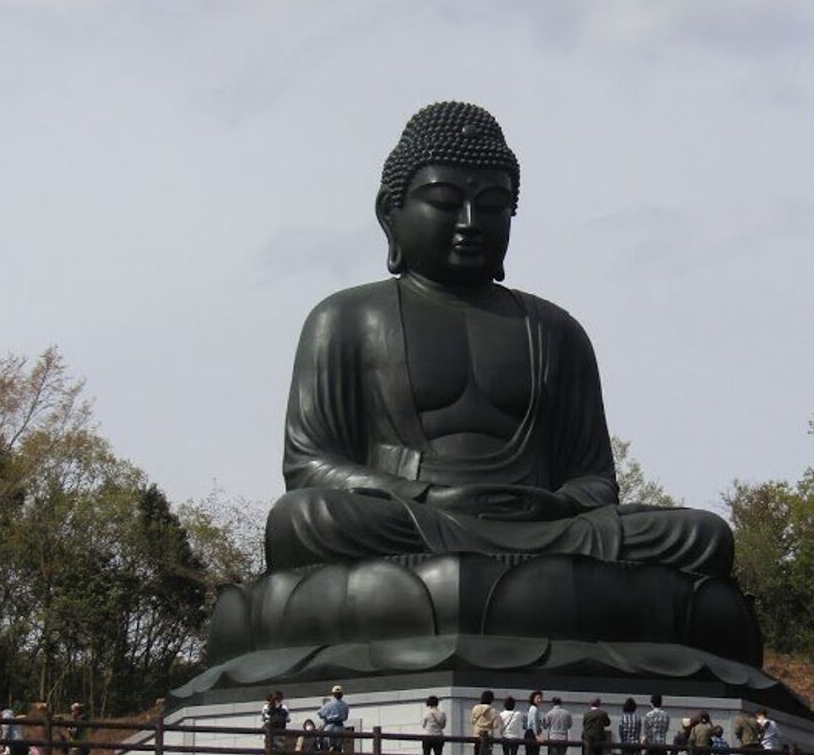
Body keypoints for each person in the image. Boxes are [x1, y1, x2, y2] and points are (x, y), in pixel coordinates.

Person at [263, 102, 734, 577]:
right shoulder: (345, 319)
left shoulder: (555, 330)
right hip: (414, 520)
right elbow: (309, 466)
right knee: (305, 519)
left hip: (546, 531)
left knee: (699, 535)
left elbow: (594, 479)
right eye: (446, 203)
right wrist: (427, 495)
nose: (470, 223)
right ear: (390, 213)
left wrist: (555, 505)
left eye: (492, 207)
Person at [318, 685, 349, 754]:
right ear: (342, 694)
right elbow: (346, 717)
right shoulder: (345, 705)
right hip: (341, 727)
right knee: (338, 748)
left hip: (330, 726)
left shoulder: (329, 704)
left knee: (325, 745)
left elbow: (320, 714)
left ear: (333, 694)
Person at [472, 691, 501, 755]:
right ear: (491, 700)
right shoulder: (493, 711)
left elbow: (473, 721)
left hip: (477, 735)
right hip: (488, 737)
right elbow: (495, 725)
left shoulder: (475, 708)